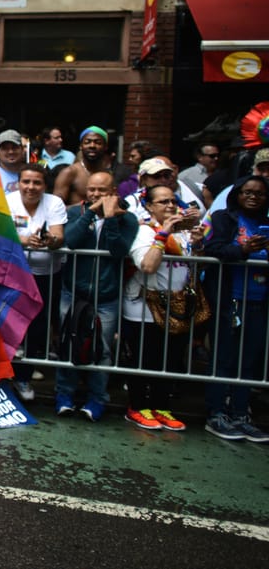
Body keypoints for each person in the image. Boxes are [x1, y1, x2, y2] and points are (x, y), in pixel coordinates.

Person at [54, 172, 137, 421]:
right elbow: (71, 240)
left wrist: (110, 218)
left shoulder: (127, 219)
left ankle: (97, 399)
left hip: (106, 296)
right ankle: (64, 396)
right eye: (91, 189)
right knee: (68, 343)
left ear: (114, 192)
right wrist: (90, 213)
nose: (95, 194)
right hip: (73, 291)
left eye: (101, 190)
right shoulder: (74, 213)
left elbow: (118, 250)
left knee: (103, 350)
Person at [120, 183, 200, 432]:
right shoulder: (144, 231)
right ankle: (137, 407)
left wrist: (198, 243)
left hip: (177, 307)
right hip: (143, 308)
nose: (170, 205)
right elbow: (148, 266)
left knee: (169, 359)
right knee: (144, 358)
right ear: (149, 206)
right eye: (163, 201)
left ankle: (161, 407)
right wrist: (163, 233)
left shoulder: (183, 233)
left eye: (173, 201)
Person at [200, 174, 269, 442]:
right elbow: (212, 249)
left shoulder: (265, 223)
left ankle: (241, 415)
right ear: (237, 195)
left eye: (259, 193)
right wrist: (242, 250)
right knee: (224, 358)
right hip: (230, 299)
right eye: (247, 192)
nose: (253, 197)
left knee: (248, 361)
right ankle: (216, 413)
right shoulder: (223, 219)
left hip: (259, 302)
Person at [6, 164, 67, 401]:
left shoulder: (54, 203)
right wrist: (23, 240)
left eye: (37, 182)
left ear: (45, 185)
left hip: (46, 276)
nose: (30, 187)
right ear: (18, 183)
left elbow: (59, 236)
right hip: (13, 274)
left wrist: (50, 241)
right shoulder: (8, 201)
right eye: (26, 181)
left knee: (37, 329)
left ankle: (23, 378)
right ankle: (0, 378)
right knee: (8, 327)